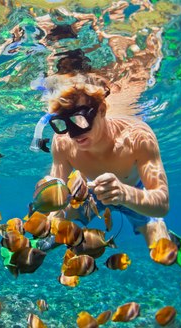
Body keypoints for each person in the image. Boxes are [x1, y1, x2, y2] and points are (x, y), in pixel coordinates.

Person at [36, 73, 171, 249]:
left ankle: (155, 227)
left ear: (101, 110)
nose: (73, 134)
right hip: (87, 193)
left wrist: (124, 194)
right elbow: (57, 196)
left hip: (132, 192)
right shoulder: (62, 142)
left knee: (160, 250)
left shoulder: (137, 136)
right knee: (49, 233)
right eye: (63, 123)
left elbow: (162, 203)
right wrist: (51, 221)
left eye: (80, 120)